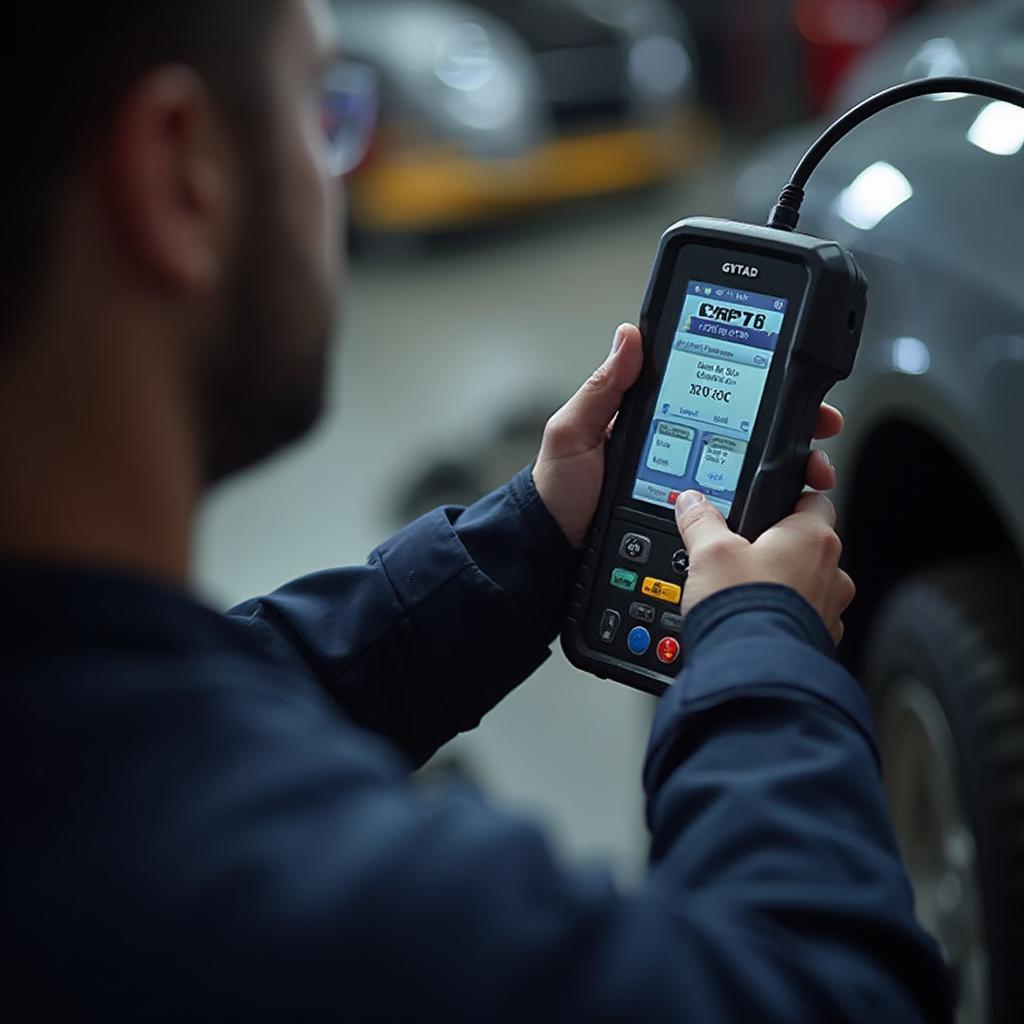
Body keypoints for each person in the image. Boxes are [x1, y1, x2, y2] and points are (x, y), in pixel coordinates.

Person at [0, 1, 951, 1021]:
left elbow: (245, 686)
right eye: (323, 110)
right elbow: (821, 994)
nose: (338, 158)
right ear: (181, 171)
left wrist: (536, 534)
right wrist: (766, 650)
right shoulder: (338, 915)